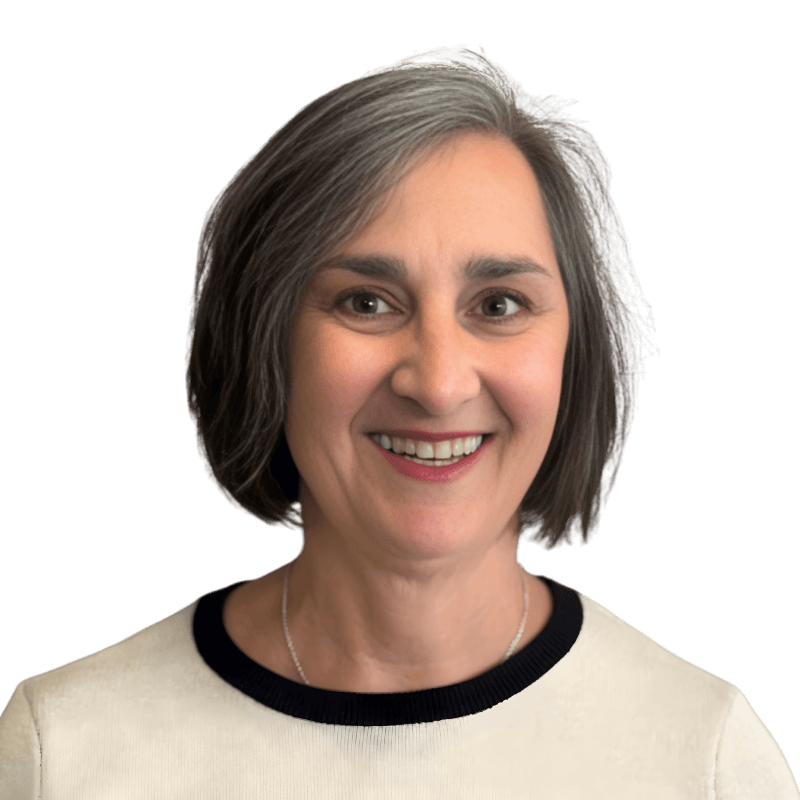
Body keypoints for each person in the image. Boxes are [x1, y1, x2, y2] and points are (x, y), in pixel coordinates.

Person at [2, 47, 797, 798]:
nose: (439, 384)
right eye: (367, 302)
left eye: (499, 305)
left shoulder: (705, 757)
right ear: (264, 339)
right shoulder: (60, 751)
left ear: (574, 353)